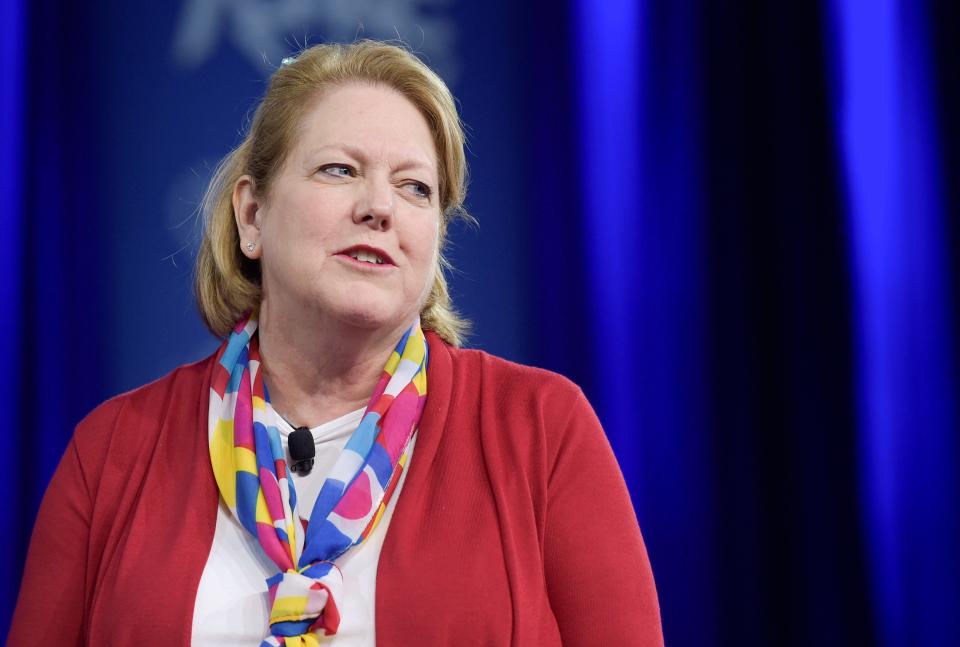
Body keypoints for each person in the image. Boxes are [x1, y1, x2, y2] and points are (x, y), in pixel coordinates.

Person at [9, 40, 663, 646]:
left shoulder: (541, 429)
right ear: (252, 215)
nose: (380, 206)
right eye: (339, 169)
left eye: (415, 186)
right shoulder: (111, 452)